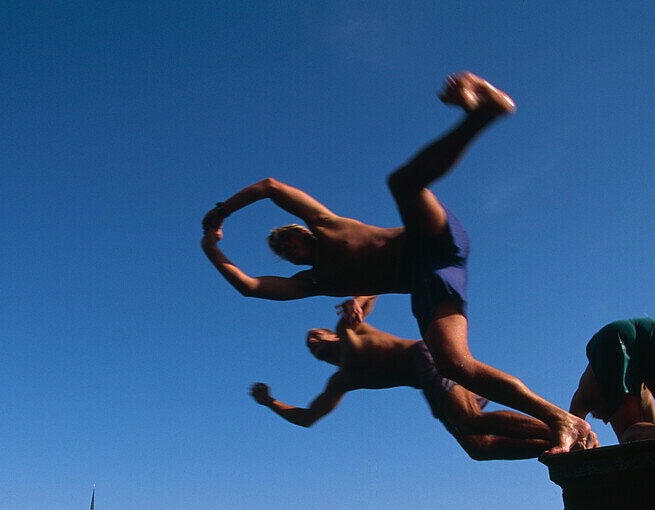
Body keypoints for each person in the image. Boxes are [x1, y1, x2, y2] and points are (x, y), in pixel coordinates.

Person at [201, 71, 593, 454]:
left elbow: (271, 187)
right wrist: (211, 251)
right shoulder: (317, 288)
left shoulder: (328, 227)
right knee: (459, 378)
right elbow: (249, 287)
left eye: (291, 239)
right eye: (284, 253)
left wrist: (223, 211)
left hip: (429, 237)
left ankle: (483, 112)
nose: (291, 249)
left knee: (403, 183)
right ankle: (563, 426)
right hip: (431, 279)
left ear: (305, 232)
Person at [250, 297, 593, 460]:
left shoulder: (351, 330)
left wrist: (358, 300)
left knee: (469, 419)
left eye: (315, 335)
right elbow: (309, 417)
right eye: (309, 345)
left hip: (426, 356)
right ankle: (564, 446)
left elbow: (374, 288)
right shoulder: (342, 380)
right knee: (478, 447)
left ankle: (568, 428)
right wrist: (270, 402)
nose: (312, 342)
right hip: (427, 384)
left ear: (331, 335)